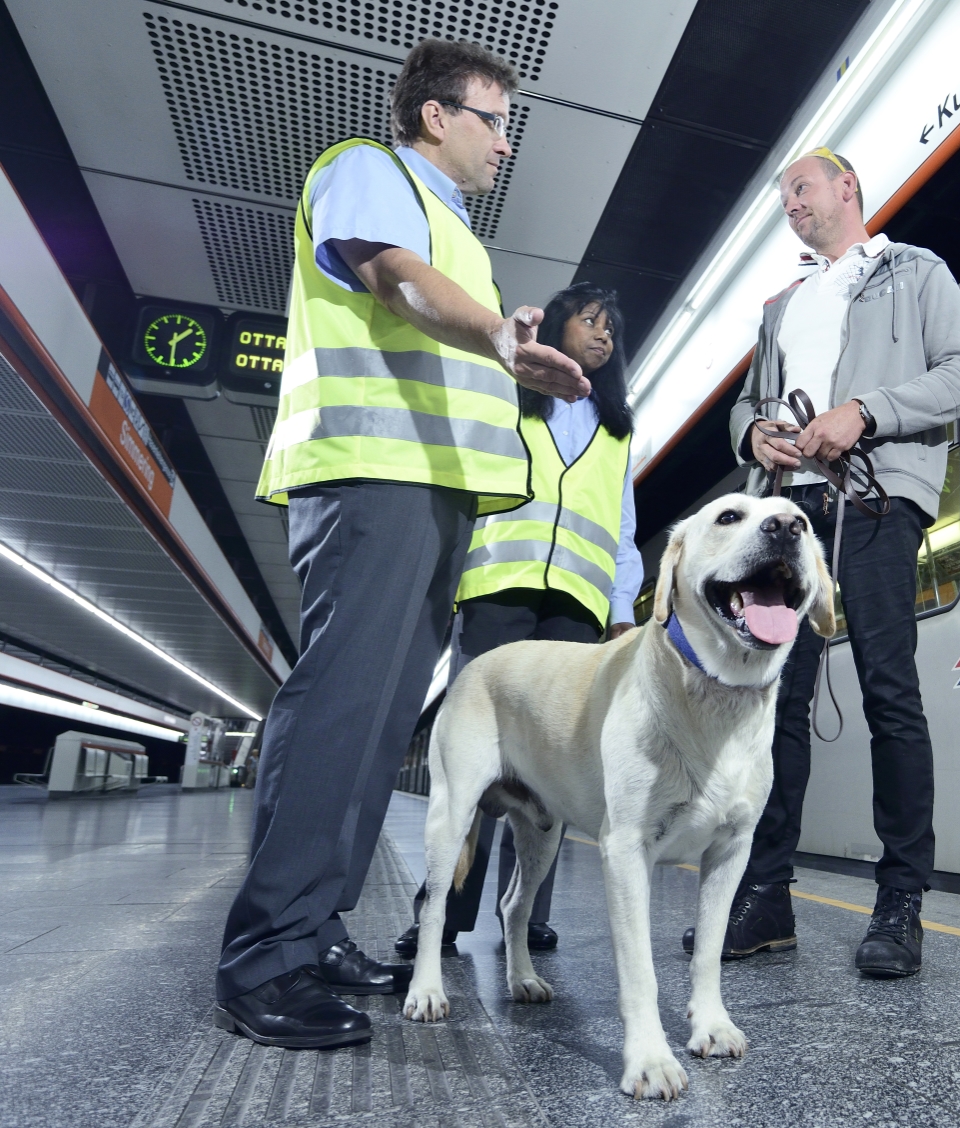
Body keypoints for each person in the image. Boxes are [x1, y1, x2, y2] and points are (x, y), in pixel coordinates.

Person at [213, 40, 590, 1050]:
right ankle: (266, 951)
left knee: (382, 724)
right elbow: (391, 281)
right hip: (371, 473)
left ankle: (317, 926)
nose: (503, 145)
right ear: (435, 117)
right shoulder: (366, 172)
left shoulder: (461, 233)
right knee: (340, 703)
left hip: (432, 491)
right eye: (492, 121)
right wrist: (502, 340)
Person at [690, 148, 960, 978]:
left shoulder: (913, 271)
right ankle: (766, 896)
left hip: (877, 499)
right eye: (783, 197)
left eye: (800, 189)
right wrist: (751, 433)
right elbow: (750, 404)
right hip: (788, 516)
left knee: (889, 690)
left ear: (845, 187)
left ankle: (899, 903)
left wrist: (866, 412)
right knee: (772, 703)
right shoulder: (782, 306)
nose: (789, 206)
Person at [393, 282, 641, 960]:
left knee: (553, 765)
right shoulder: (508, 396)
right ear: (555, 325)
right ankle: (439, 913)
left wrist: (622, 612)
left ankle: (525, 916)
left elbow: (622, 527)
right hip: (499, 588)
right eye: (590, 321)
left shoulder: (618, 427)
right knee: (473, 761)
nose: (602, 337)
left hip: (575, 606)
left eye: (611, 330)